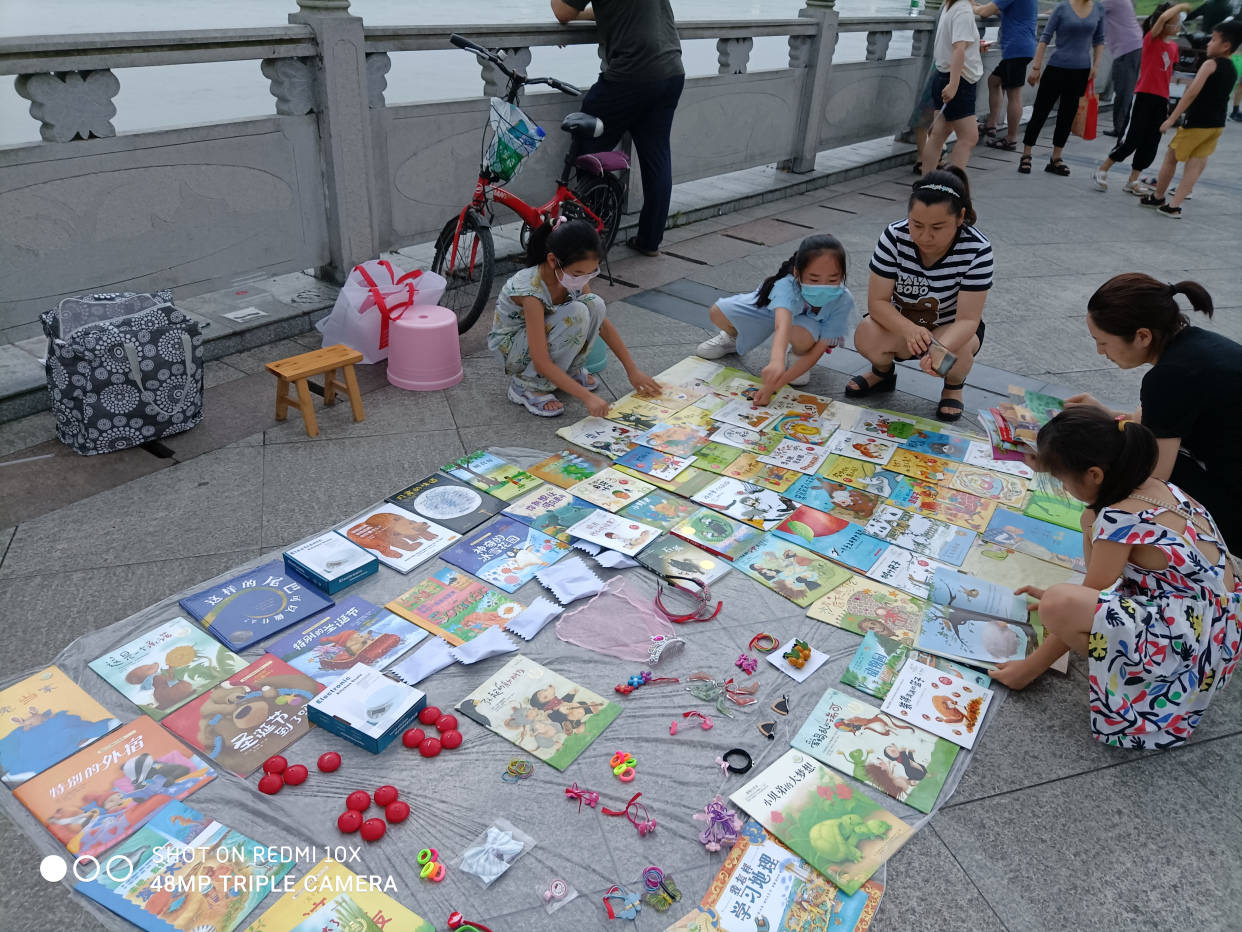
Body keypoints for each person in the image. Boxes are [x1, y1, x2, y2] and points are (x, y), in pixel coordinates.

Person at [992, 408, 1240, 750]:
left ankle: (1142, 689)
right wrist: (1088, 524)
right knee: (1066, 599)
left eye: (1063, 480)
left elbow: (1092, 596)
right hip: (1217, 630)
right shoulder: (1156, 487)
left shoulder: (1118, 518)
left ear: (1094, 475)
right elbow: (1104, 584)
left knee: (1058, 606)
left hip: (1188, 651)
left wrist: (1026, 670)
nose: (1064, 487)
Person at [1066, 272, 1242, 552]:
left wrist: (1075, 476)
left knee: (1124, 474)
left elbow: (1155, 476)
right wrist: (1108, 415)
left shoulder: (1170, 376)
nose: (1100, 352)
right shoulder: (1196, 344)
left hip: (1233, 514)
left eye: (1103, 341)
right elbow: (1156, 421)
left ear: (1142, 336)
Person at [843, 168, 992, 423]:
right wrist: (908, 330)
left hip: (949, 328)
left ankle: (953, 386)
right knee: (866, 334)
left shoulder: (977, 249)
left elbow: (968, 319)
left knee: (960, 352)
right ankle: (883, 373)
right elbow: (877, 303)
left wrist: (941, 348)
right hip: (901, 324)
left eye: (937, 227)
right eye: (917, 224)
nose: (925, 236)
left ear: (960, 218)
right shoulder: (894, 235)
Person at [489, 219, 659, 417]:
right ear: (553, 260)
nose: (582, 279)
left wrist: (632, 370)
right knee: (576, 314)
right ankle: (526, 386)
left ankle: (568, 371)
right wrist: (587, 398)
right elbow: (540, 359)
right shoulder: (531, 291)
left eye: (589, 273)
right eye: (578, 273)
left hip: (546, 333)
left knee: (594, 304)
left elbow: (601, 323)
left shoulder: (570, 276)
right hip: (513, 350)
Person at [552, 0, 683, 256]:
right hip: (670, 70)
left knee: (586, 138)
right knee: (657, 159)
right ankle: (649, 240)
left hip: (632, 72)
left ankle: (585, 237)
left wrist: (575, 12)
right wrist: (592, 14)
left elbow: (561, 12)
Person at [695, 235, 854, 406]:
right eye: (814, 279)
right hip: (773, 310)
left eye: (832, 280)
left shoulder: (843, 299)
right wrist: (776, 362)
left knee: (802, 335)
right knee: (718, 312)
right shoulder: (786, 285)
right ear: (797, 274)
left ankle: (799, 354)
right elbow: (782, 326)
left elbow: (820, 349)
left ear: (842, 275)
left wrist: (775, 384)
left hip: (807, 324)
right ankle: (732, 338)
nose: (823, 286)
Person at [1142, 20, 1241, 217]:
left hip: (1197, 122)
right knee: (1196, 163)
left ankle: (1158, 196)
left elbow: (1191, 93)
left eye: (1213, 40)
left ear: (1226, 45)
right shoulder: (1232, 68)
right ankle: (1175, 206)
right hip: (1216, 125)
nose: (1208, 43)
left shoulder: (1210, 64)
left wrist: (1172, 118)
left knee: (1171, 157)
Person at [1093, 4, 1191, 194]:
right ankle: (1102, 169)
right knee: (1132, 138)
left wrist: (1168, 105)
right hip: (1144, 97)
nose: (1179, 26)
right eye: (1176, 22)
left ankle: (1133, 180)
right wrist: (1179, 7)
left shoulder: (1173, 47)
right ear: (1164, 24)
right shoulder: (1150, 40)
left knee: (1150, 142)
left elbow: (1167, 75)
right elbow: (1162, 20)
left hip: (1161, 100)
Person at [1018, 0, 1106, 175]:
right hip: (1056, 68)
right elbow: (1045, 38)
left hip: (1081, 71)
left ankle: (1056, 158)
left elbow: (1099, 40)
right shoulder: (1062, 8)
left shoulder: (1098, 9)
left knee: (1067, 115)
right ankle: (1026, 154)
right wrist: (1036, 67)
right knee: (1040, 112)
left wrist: (1096, 65)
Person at [920, 0, 985, 171]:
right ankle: (953, 186)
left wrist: (975, 48)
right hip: (959, 80)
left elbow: (957, 46)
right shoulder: (963, 10)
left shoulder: (950, 7)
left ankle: (927, 183)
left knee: (938, 134)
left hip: (943, 75)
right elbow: (958, 49)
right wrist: (954, 84)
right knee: (969, 137)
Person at [974, 0, 1039, 150]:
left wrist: (967, 6)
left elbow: (985, 13)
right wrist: (980, 7)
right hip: (1021, 47)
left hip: (1017, 47)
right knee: (994, 81)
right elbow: (998, 10)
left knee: (1014, 94)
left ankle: (1011, 139)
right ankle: (991, 124)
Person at [1099, 0, 1145, 137]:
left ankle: (1121, 128)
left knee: (1123, 90)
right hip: (1131, 47)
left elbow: (1091, 10)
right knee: (1124, 89)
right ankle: (1121, 127)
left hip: (1127, 49)